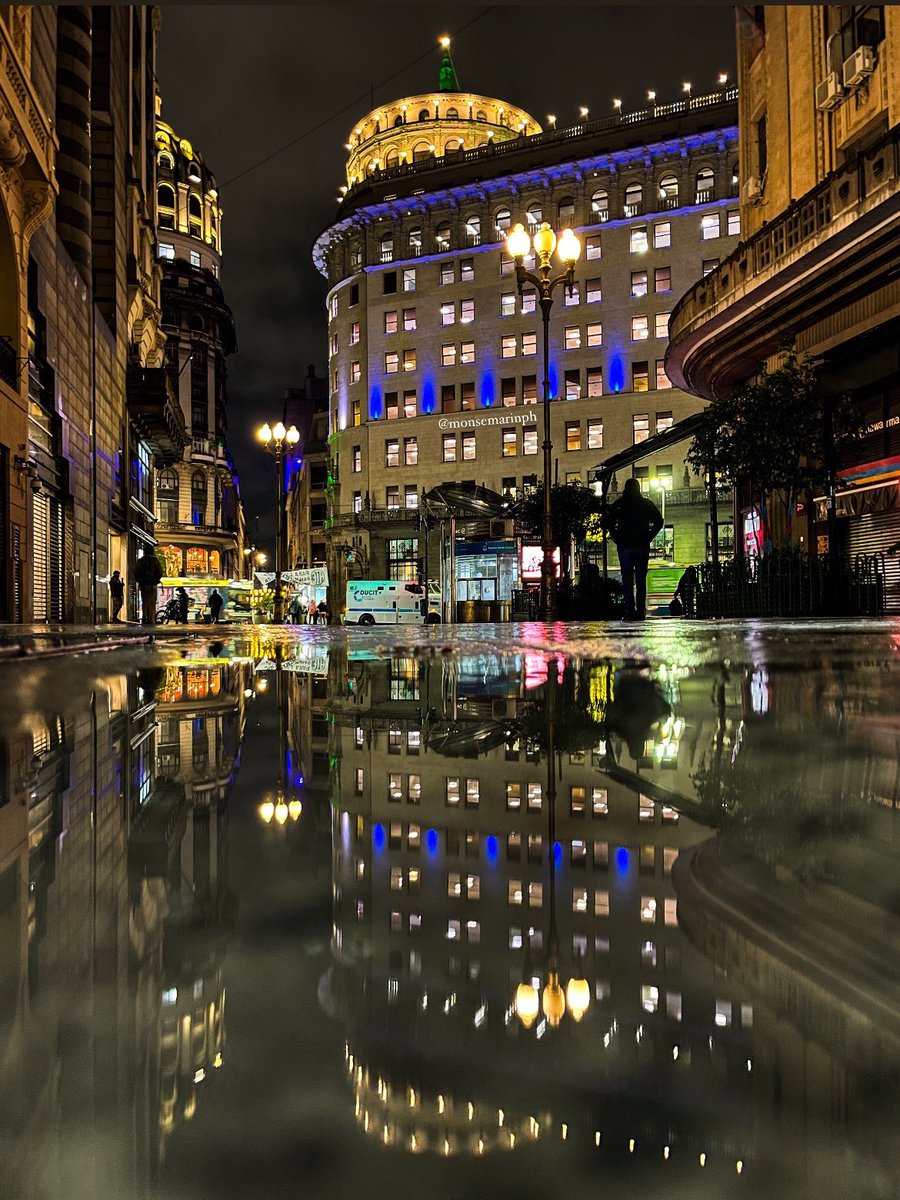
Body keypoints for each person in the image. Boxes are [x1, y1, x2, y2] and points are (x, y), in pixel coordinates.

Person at [606, 478, 664, 620]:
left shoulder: (620, 504)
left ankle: (631, 610)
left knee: (627, 580)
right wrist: (649, 536)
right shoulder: (645, 504)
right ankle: (639, 611)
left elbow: (608, 523)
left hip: (625, 545)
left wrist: (616, 537)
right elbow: (659, 521)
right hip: (641, 545)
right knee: (640, 580)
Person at [134, 547, 163, 626]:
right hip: (153, 585)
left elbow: (136, 572)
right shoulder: (155, 561)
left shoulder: (140, 561)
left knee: (145, 602)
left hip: (144, 585)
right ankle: (151, 619)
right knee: (152, 602)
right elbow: (160, 572)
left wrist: (140, 581)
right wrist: (156, 580)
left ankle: (144, 617)